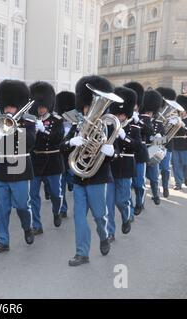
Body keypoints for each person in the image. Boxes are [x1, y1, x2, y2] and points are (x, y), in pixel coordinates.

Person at [61, 75, 117, 267]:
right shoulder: (77, 127)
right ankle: (81, 253)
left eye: (91, 108)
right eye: (86, 108)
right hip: (79, 178)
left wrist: (110, 151)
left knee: (100, 216)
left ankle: (103, 236)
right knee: (79, 217)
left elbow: (114, 152)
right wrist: (71, 142)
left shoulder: (107, 127)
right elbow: (63, 147)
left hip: (98, 178)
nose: (88, 112)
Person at [0, 80, 36, 254]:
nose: (8, 110)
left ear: (19, 106)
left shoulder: (29, 120)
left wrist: (13, 130)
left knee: (22, 206)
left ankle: (27, 227)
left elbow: (30, 143)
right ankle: (2, 240)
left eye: (11, 107)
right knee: (2, 208)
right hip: (2, 169)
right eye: (6, 107)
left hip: (21, 169)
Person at [106, 87, 142, 242]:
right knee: (108, 204)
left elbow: (138, 147)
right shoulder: (109, 126)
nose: (120, 117)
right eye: (117, 114)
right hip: (111, 166)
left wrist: (124, 137)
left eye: (122, 114)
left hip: (126, 166)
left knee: (122, 200)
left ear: (126, 114)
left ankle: (127, 217)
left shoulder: (134, 128)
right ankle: (110, 233)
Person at [29, 81, 65, 234]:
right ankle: (37, 225)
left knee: (56, 194)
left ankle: (56, 211)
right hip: (36, 161)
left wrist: (44, 130)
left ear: (49, 104)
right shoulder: (31, 120)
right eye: (38, 106)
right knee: (33, 195)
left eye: (43, 105)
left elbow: (58, 138)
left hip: (52, 161)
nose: (41, 109)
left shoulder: (57, 120)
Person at [124, 82, 148, 217]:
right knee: (128, 185)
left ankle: (140, 203)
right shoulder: (123, 116)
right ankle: (131, 209)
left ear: (138, 106)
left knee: (139, 184)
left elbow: (149, 131)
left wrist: (138, 121)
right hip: (127, 154)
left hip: (139, 154)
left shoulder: (143, 118)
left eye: (135, 105)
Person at [54, 91, 76, 218]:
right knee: (60, 184)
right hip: (60, 157)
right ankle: (63, 208)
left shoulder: (77, 121)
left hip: (73, 156)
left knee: (73, 181)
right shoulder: (57, 121)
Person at [143, 90, 165, 205]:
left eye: (151, 111)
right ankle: (140, 201)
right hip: (142, 150)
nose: (149, 113)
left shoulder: (158, 123)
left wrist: (158, 138)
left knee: (154, 177)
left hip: (153, 150)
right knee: (140, 178)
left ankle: (156, 195)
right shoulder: (141, 120)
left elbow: (164, 140)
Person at [171, 94, 187, 190]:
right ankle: (178, 183)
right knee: (176, 165)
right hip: (176, 144)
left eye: (183, 110)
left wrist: (184, 126)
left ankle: (186, 175)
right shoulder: (175, 119)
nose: (181, 112)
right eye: (180, 110)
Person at [156, 87, 177, 198]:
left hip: (166, 143)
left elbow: (178, 126)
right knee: (152, 167)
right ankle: (155, 189)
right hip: (155, 142)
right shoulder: (156, 110)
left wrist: (175, 122)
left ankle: (165, 187)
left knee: (165, 168)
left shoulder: (173, 112)